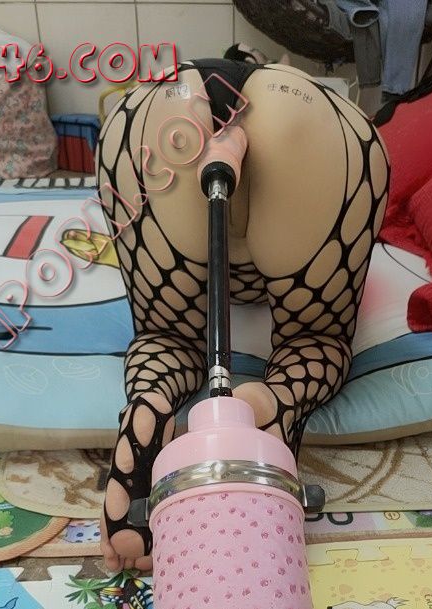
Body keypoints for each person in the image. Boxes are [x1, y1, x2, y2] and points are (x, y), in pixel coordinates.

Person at [96, 57, 389, 573]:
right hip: (300, 115)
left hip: (162, 112)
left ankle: (152, 399)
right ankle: (278, 402)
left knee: (166, 335)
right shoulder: (291, 84)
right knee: (315, 338)